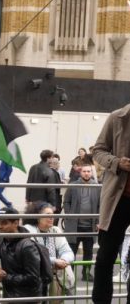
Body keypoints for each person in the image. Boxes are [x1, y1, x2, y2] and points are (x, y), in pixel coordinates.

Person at [91, 102, 130, 303]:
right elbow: (98, 150)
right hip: (117, 199)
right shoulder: (117, 118)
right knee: (105, 257)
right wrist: (117, 162)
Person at [0, 207, 43, 302]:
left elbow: (33, 278)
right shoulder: (1, 240)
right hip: (9, 296)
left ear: (16, 223)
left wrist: (5, 278)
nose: (0, 227)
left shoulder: (27, 246)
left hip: (27, 299)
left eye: (4, 223)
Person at [23, 201, 75, 300]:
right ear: (37, 217)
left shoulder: (55, 230)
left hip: (51, 280)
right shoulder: (28, 230)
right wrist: (54, 261)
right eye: (47, 215)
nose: (51, 217)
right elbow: (34, 255)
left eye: (52, 215)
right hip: (34, 280)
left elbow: (68, 251)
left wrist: (64, 260)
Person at [63, 163, 100, 281]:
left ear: (91, 173)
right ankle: (71, 274)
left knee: (88, 252)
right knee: (71, 251)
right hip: (75, 226)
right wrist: (69, 215)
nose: (87, 173)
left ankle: (86, 273)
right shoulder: (73, 185)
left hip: (90, 226)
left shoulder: (97, 187)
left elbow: (101, 205)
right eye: (84, 171)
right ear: (80, 172)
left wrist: (99, 221)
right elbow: (66, 201)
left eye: (89, 171)